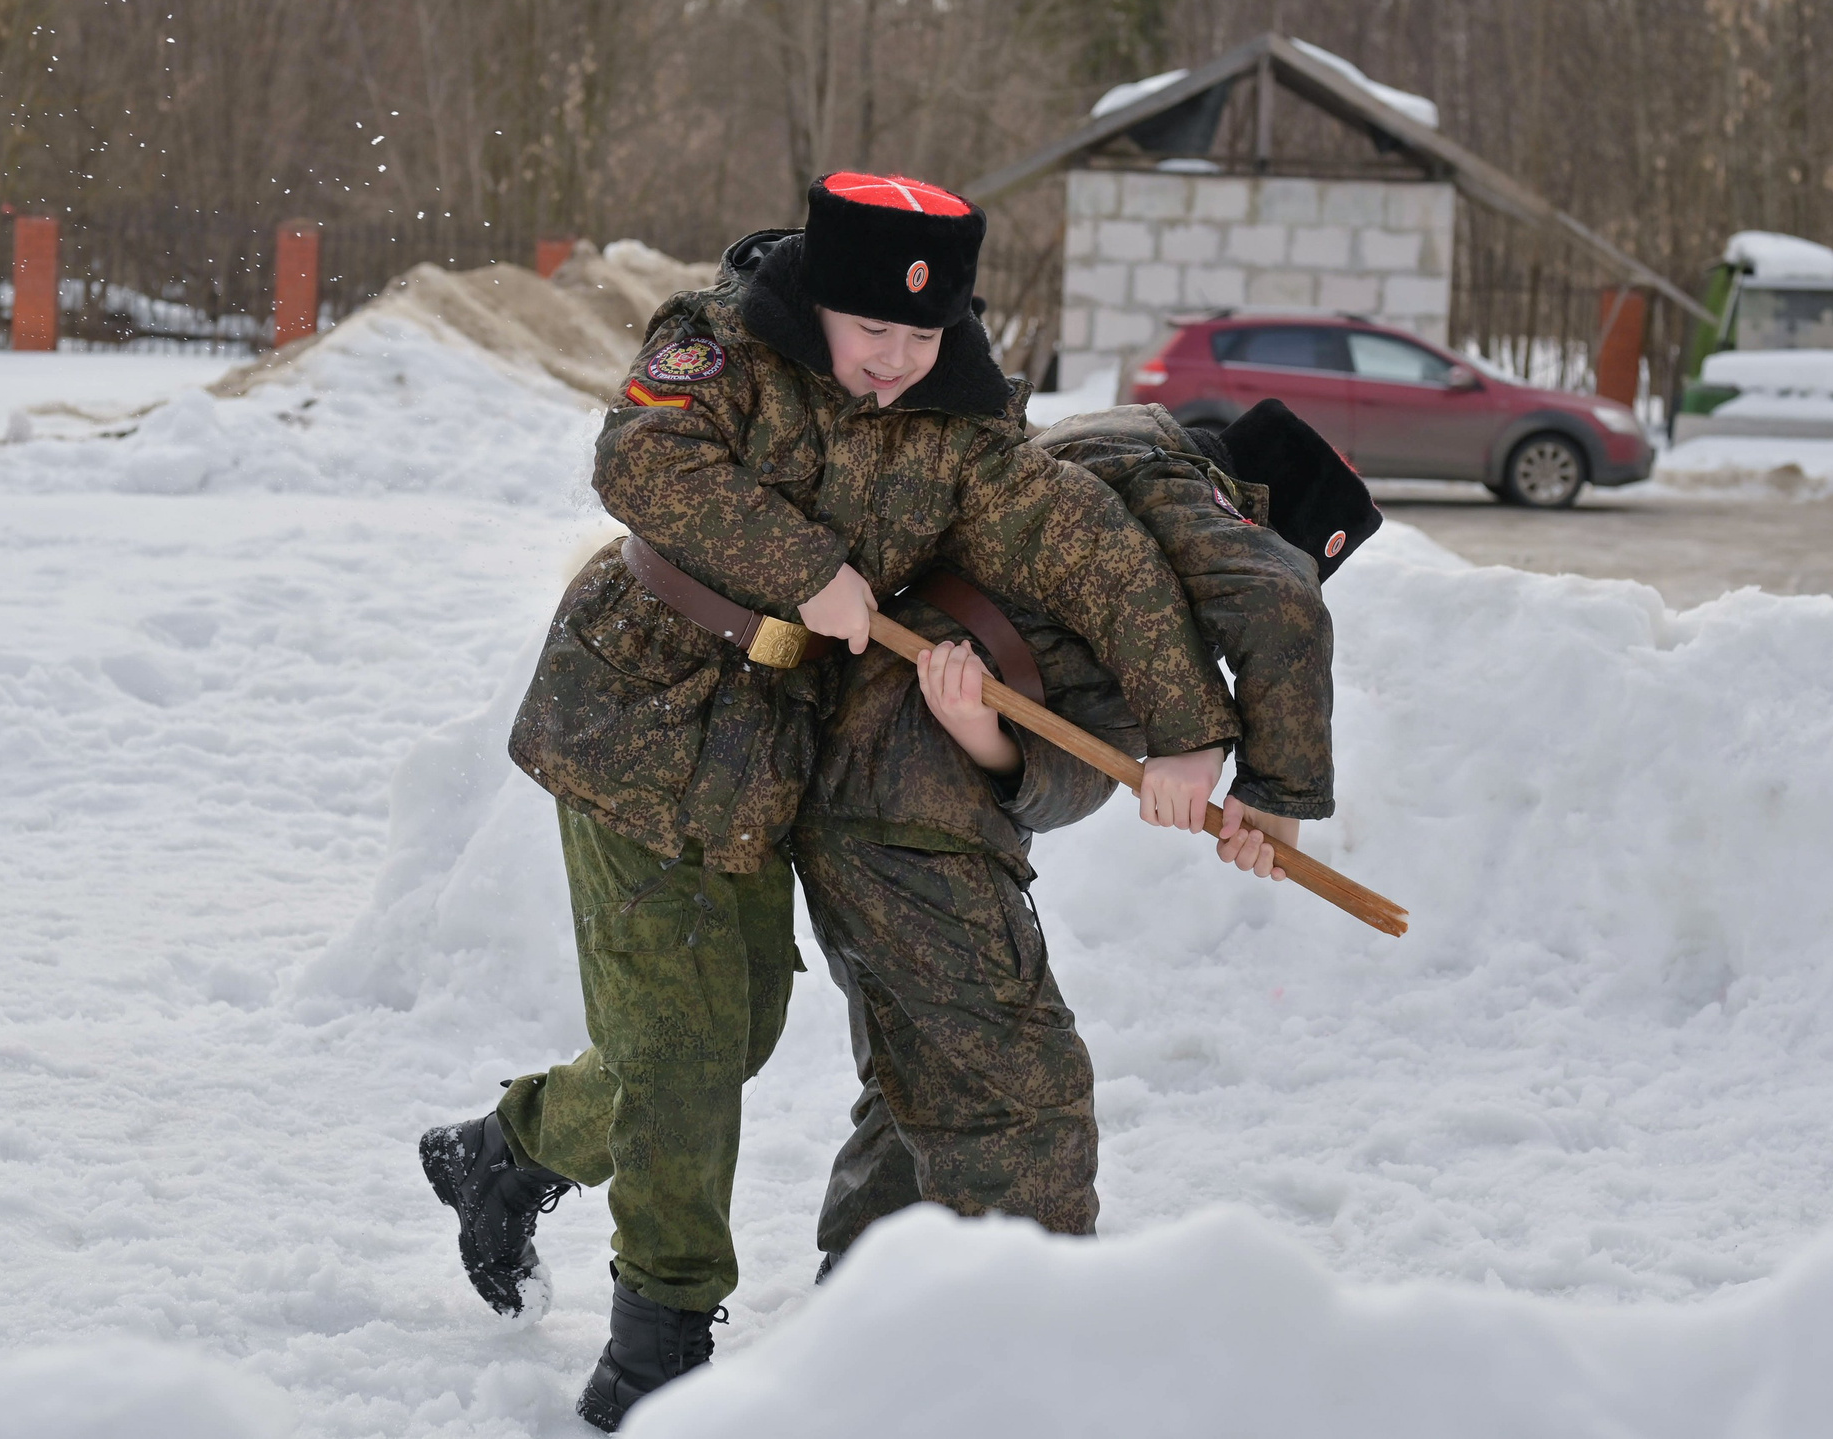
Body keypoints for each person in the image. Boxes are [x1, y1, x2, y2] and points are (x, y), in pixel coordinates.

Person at [415, 173, 1244, 1432]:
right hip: (635, 713)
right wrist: (808, 569)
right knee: (685, 1051)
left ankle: (509, 1150)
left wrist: (1188, 728)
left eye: (922, 338)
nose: (895, 365)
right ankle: (658, 1346)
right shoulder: (719, 342)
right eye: (873, 336)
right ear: (821, 302)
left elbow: (1093, 549)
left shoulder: (960, 424)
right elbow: (644, 459)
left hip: (774, 750)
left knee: (725, 1031)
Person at [795, 396, 1381, 1268]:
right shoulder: (1157, 476)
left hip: (877, 777)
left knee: (930, 1065)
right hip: (899, 797)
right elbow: (1278, 600)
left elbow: (1060, 764)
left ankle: (865, 1305)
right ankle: (1026, 1346)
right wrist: (1276, 796)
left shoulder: (1122, 550)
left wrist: (987, 739)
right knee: (1028, 1100)